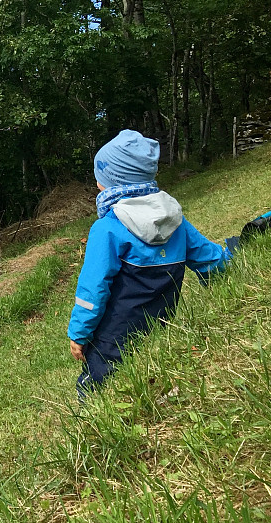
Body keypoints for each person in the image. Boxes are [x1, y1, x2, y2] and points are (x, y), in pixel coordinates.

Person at [67, 129, 232, 396]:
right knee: (148, 373)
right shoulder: (174, 222)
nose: (97, 183)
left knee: (95, 388)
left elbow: (93, 290)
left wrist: (79, 332)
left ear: (113, 182)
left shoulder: (107, 228)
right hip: (160, 328)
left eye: (101, 177)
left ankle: (94, 429)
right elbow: (209, 259)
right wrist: (232, 261)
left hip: (112, 338)